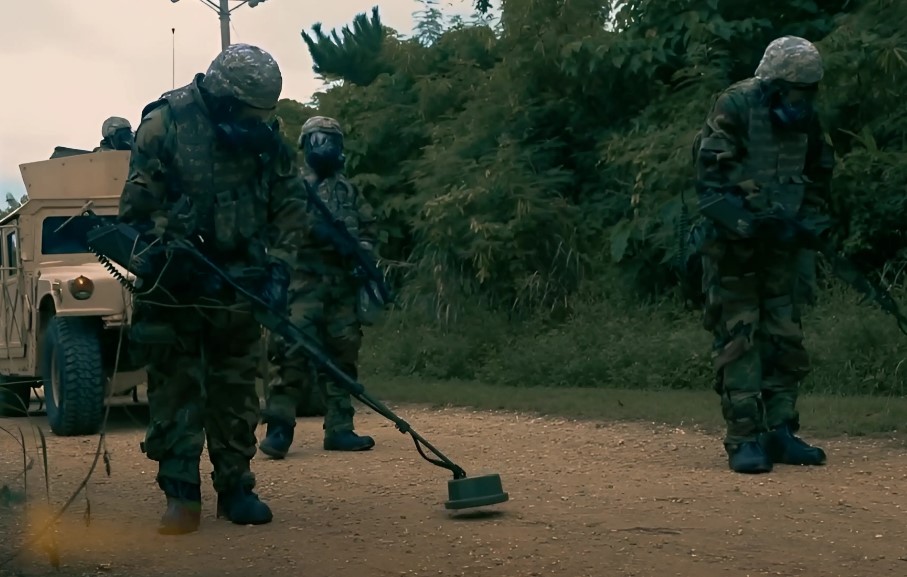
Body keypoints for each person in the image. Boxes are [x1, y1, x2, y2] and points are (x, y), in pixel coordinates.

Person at [117, 43, 300, 534]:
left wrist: (280, 269)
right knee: (176, 390)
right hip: (174, 287)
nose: (255, 120)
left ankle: (236, 488)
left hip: (239, 286)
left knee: (236, 387)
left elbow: (288, 204)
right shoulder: (164, 125)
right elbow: (133, 211)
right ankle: (181, 495)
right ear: (223, 96)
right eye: (247, 111)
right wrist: (171, 243)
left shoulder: (265, 136)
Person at [692, 36, 835, 474]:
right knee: (741, 337)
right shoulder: (735, 105)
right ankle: (744, 438)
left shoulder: (806, 119)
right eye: (796, 91)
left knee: (785, 337)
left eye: (809, 92)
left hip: (782, 248)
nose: (803, 100)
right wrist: (752, 215)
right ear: (773, 84)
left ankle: (780, 430)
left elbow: (819, 173)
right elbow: (711, 176)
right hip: (734, 247)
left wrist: (810, 223)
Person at [259, 116, 381, 459]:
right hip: (302, 283)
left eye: (328, 139)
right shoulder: (293, 187)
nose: (322, 146)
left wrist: (362, 254)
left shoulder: (349, 191)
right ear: (304, 145)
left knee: (343, 353)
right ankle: (279, 429)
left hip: (341, 285)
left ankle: (340, 428)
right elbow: (279, 227)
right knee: (291, 352)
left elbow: (369, 229)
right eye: (315, 139)